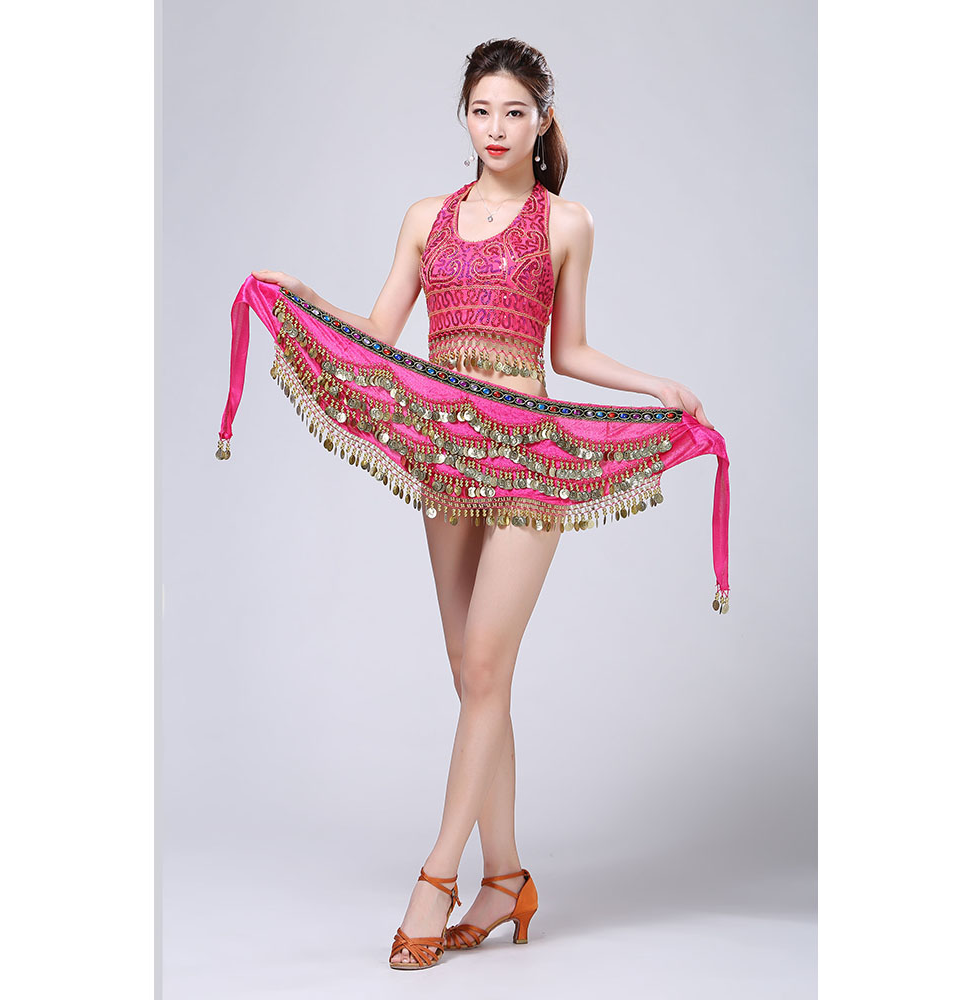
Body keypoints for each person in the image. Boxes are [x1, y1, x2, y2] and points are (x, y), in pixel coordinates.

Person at [247, 37, 717, 970]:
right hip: (445, 453)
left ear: (542, 121)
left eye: (514, 112)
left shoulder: (567, 222)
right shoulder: (427, 217)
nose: (496, 128)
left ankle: (438, 876)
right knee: (471, 675)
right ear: (463, 117)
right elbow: (381, 332)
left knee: (489, 661)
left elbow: (569, 352)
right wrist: (308, 298)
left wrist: (654, 385)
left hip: (529, 456)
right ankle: (507, 879)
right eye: (480, 110)